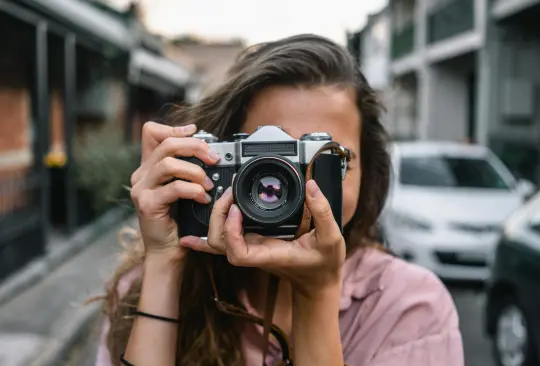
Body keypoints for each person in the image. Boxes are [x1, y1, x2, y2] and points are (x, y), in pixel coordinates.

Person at [96, 34, 464, 366]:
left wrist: (316, 293)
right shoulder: (145, 286)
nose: (292, 184)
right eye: (267, 161)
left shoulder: (411, 307)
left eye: (329, 160)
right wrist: (164, 266)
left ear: (369, 173)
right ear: (218, 162)